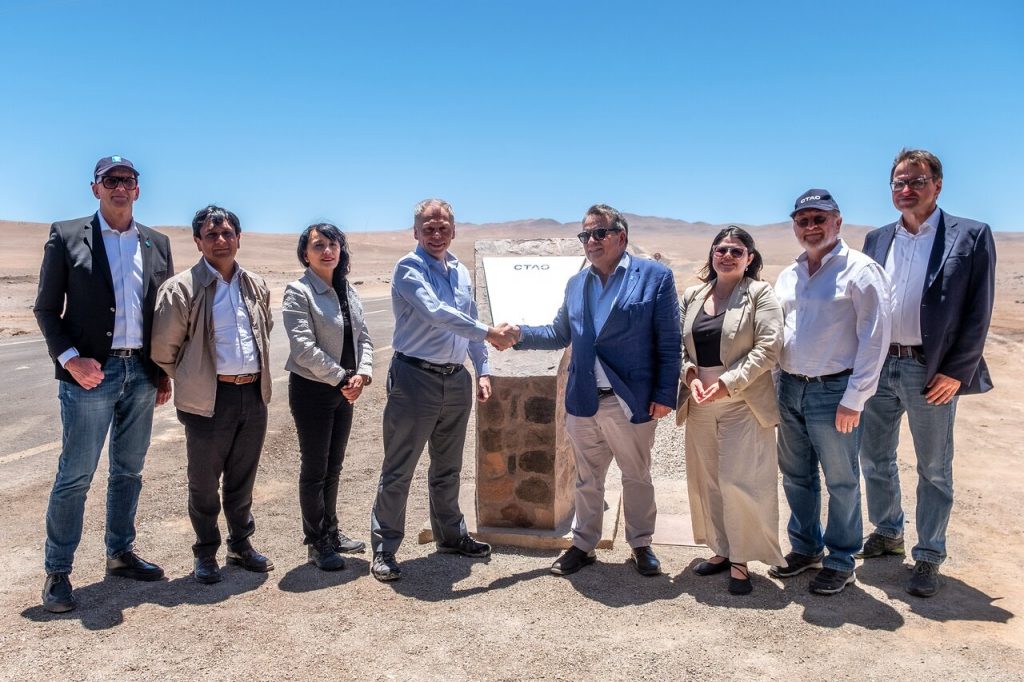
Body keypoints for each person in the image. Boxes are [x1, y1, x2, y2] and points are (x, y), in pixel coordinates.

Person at [499, 204, 681, 577]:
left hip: (628, 399)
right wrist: (519, 335)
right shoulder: (576, 283)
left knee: (636, 476)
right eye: (585, 235)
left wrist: (665, 395)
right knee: (587, 478)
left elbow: (669, 341)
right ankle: (583, 544)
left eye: (599, 233)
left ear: (621, 236)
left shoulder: (655, 277)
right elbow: (558, 333)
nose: (591, 241)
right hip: (584, 399)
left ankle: (641, 544)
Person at [34, 155, 173, 613]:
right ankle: (58, 571)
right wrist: (71, 360)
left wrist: (163, 371)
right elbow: (46, 308)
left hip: (142, 374)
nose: (119, 187)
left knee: (129, 470)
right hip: (90, 376)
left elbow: (164, 314)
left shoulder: (156, 243)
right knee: (76, 474)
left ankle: (120, 552)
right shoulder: (67, 235)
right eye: (110, 180)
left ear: (138, 189)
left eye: (127, 180)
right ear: (95, 188)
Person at [859, 149, 996, 597]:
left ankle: (930, 554)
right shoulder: (877, 239)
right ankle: (888, 532)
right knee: (873, 458)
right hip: (879, 367)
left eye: (916, 181)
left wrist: (957, 370)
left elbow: (979, 309)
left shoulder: (970, 235)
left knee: (934, 467)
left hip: (930, 370)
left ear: (937, 185)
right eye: (899, 182)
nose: (906, 189)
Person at [369, 198, 511, 582]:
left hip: (455, 379)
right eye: (428, 228)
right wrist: (489, 333)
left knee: (448, 466)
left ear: (454, 231)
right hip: (415, 378)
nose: (436, 234)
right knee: (399, 467)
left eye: (443, 228)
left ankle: (450, 536)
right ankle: (384, 549)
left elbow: (469, 319)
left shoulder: (461, 272)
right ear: (415, 232)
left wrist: (482, 369)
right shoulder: (409, 268)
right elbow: (436, 312)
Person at [771, 189, 891, 595]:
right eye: (802, 220)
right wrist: (776, 388)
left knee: (841, 480)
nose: (810, 227)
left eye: (818, 219)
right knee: (796, 475)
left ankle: (841, 559)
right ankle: (806, 548)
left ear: (837, 222)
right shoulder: (789, 275)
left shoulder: (861, 270)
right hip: (790, 387)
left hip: (834, 391)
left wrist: (855, 398)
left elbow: (875, 338)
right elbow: (780, 334)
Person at [151, 205, 274, 585]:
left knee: (242, 477)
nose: (220, 240)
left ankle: (241, 545)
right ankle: (205, 552)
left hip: (252, 393)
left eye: (227, 234)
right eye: (211, 234)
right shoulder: (181, 289)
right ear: (197, 241)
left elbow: (265, 329)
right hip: (209, 399)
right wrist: (195, 379)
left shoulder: (255, 285)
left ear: (238, 238)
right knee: (204, 483)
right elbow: (164, 349)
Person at [678, 227, 784, 595]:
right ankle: (721, 550)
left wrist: (728, 382)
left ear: (749, 258)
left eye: (736, 251)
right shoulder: (692, 295)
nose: (726, 256)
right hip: (700, 403)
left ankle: (741, 559)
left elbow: (769, 347)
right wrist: (690, 375)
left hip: (743, 402)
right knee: (708, 480)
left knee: (740, 481)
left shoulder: (760, 294)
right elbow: (680, 346)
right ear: (711, 254)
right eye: (720, 249)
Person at [283, 223, 373, 571]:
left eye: (332, 244)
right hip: (313, 391)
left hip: (344, 389)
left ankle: (331, 532)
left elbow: (363, 337)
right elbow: (303, 348)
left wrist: (363, 374)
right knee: (315, 468)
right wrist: (343, 378)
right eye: (318, 245)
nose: (327, 251)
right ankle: (316, 541)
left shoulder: (347, 290)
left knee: (334, 466)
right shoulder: (299, 292)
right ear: (305, 254)